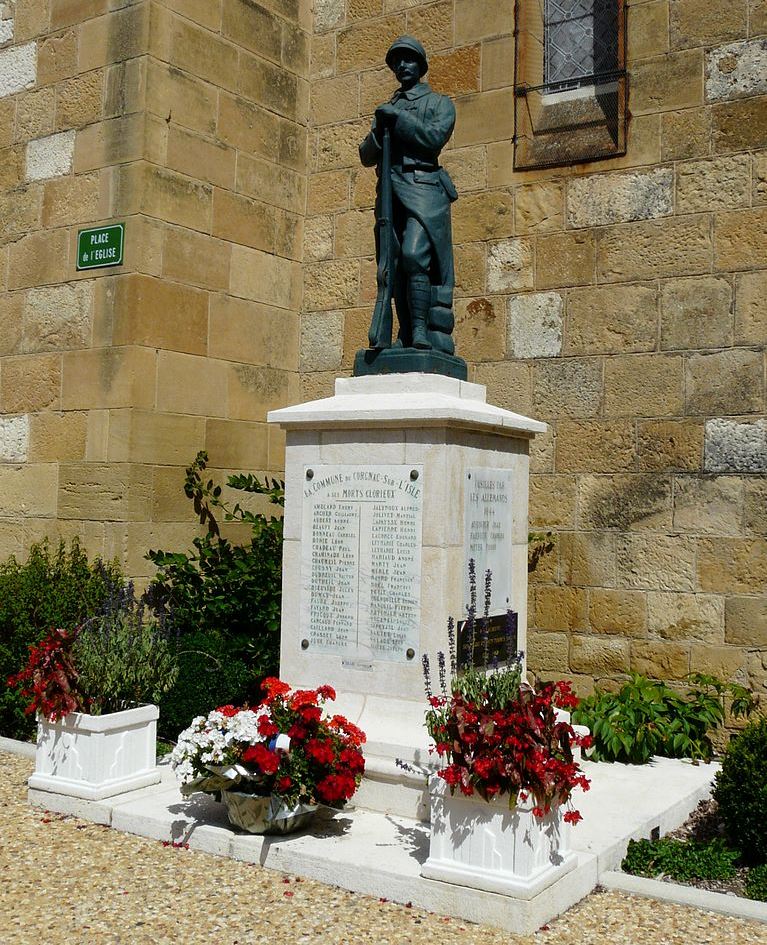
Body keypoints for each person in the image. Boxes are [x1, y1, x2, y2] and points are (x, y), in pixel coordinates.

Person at [359, 36, 458, 353]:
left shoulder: (439, 104)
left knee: (415, 255)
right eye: (397, 61)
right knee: (395, 263)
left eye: (409, 60)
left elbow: (432, 138)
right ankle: (403, 334)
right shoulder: (388, 108)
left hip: (424, 188)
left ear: (421, 65)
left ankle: (421, 331)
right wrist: (378, 129)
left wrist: (398, 119)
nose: (402, 66)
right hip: (390, 191)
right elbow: (365, 155)